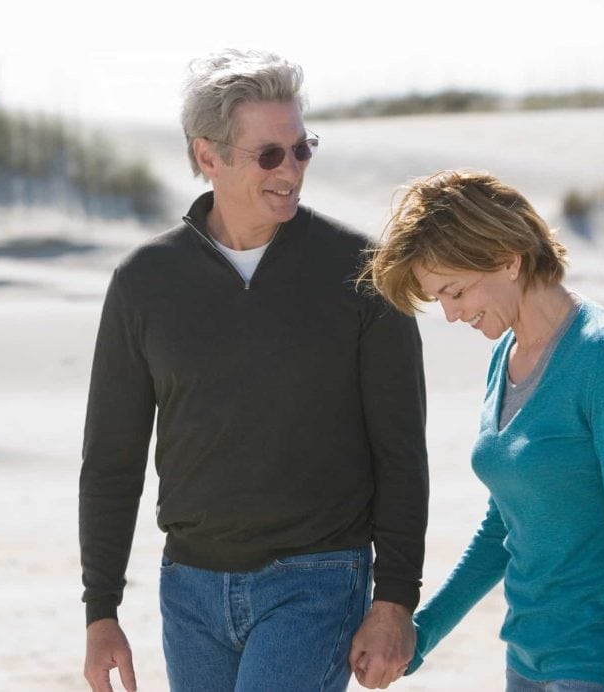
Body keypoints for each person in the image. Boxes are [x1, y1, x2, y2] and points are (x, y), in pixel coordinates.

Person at [79, 49, 429, 692]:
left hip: (318, 580)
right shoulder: (145, 282)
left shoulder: (363, 274)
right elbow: (111, 458)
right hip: (189, 592)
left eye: (302, 149)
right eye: (270, 154)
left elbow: (401, 450)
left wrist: (395, 600)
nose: (291, 170)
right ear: (207, 156)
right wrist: (101, 610)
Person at [364, 169, 604, 691]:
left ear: (508, 259)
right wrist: (420, 636)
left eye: (455, 291)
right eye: (438, 298)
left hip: (602, 663)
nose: (449, 314)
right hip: (528, 655)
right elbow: (503, 526)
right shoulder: (503, 357)